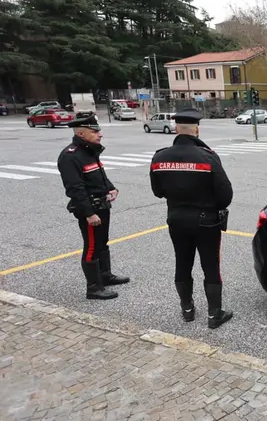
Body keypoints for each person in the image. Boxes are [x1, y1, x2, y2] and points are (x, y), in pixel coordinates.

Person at [150, 108, 234, 329]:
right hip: (207, 221)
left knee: (182, 262)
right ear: (197, 129)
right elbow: (226, 195)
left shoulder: (159, 157)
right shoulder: (208, 157)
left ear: (176, 129)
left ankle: (187, 310)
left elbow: (157, 191)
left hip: (177, 219)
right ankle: (214, 314)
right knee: (210, 266)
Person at [57, 115, 130, 300]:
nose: (100, 135)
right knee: (91, 246)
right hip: (90, 209)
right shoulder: (70, 156)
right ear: (81, 133)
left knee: (102, 243)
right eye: (95, 131)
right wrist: (89, 213)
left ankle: (105, 276)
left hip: (102, 205)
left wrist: (110, 187)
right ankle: (93, 288)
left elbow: (98, 175)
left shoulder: (90, 151)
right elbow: (75, 188)